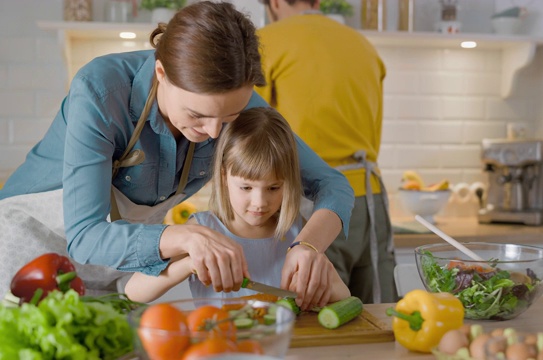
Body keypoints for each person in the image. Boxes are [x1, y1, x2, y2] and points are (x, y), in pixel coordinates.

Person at [0, 1, 354, 310]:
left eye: (229, 118)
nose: (215, 133)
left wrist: (308, 246)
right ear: (161, 74)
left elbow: (333, 185)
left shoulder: (239, 104)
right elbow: (86, 236)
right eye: (197, 116)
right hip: (30, 252)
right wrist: (185, 237)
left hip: (119, 271)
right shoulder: (101, 90)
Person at [124, 107, 350, 303]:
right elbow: (134, 291)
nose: (260, 203)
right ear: (223, 177)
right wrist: (188, 265)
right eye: (246, 188)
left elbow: (345, 296)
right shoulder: (203, 230)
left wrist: (323, 272)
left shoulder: (297, 231)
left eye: (273, 188)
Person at [256, 0, 396, 303]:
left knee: (317, 317)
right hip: (370, 202)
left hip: (313, 206)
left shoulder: (266, 42)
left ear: (275, 3)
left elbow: (250, 132)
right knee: (381, 321)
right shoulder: (362, 44)